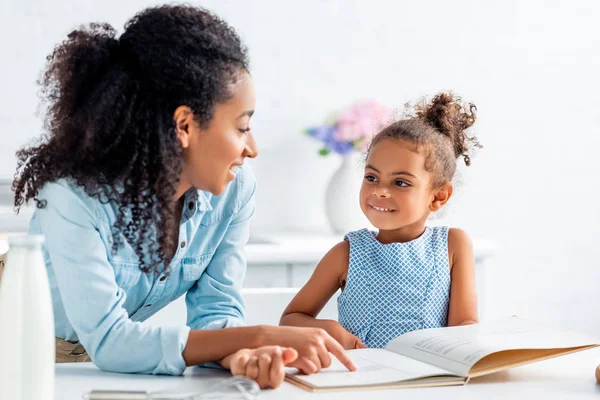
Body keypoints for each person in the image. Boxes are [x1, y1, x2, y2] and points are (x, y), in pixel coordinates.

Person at [12, 5, 355, 389]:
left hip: (103, 372)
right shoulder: (73, 195)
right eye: (242, 128)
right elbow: (111, 340)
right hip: (19, 357)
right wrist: (258, 336)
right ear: (185, 126)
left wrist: (237, 355)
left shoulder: (235, 191)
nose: (252, 148)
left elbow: (217, 308)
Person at [281, 92, 481, 349]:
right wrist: (329, 330)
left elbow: (463, 326)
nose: (380, 191)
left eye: (400, 182)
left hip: (430, 381)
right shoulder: (348, 254)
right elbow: (290, 320)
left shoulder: (453, 245)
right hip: (363, 381)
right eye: (372, 178)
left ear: (438, 196)